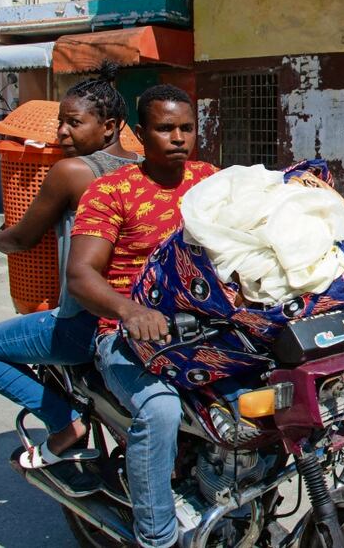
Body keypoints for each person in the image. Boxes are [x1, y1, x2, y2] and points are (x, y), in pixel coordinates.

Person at [0, 63, 141, 469]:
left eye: (73, 123)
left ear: (109, 127)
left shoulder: (73, 171)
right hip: (135, 311)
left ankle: (65, 423)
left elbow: (22, 238)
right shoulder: (141, 168)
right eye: (61, 122)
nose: (61, 132)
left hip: (85, 320)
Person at [66, 84, 216, 548]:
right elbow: (81, 274)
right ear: (140, 132)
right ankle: (157, 536)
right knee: (161, 408)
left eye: (186, 128)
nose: (178, 138)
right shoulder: (111, 190)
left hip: (207, 329)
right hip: (126, 335)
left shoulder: (211, 181)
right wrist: (131, 310)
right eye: (165, 128)